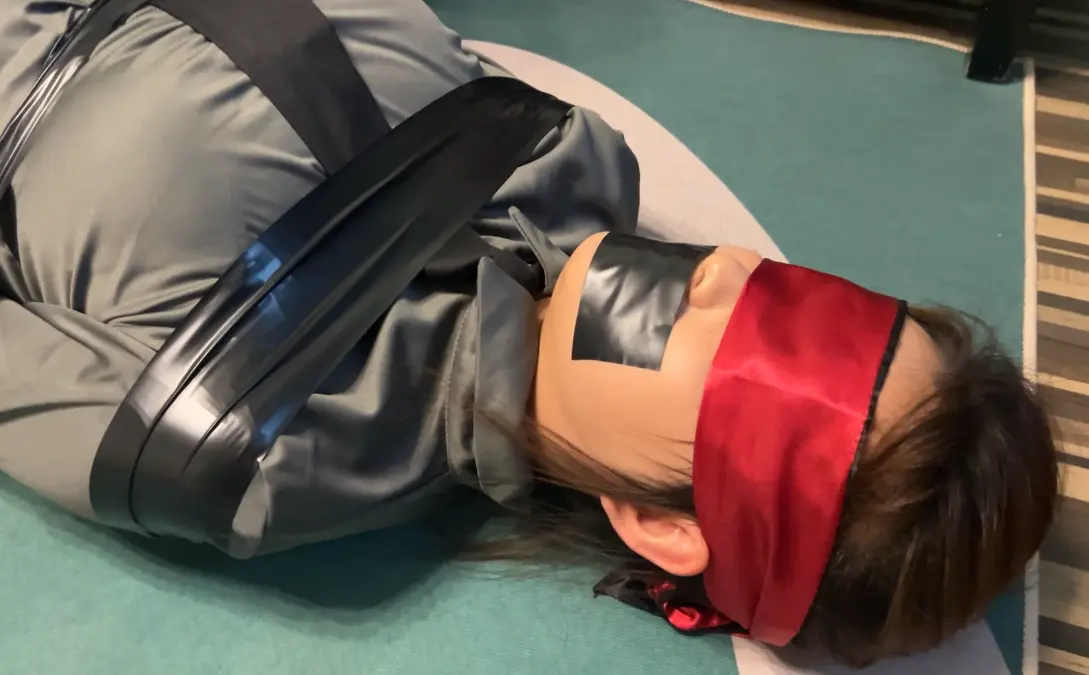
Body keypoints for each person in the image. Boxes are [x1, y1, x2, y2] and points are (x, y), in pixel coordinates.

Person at [0, 0, 1058, 669]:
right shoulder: (571, 161)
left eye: (777, 344)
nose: (731, 266)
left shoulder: (246, 443)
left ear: (665, 527)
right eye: (811, 294)